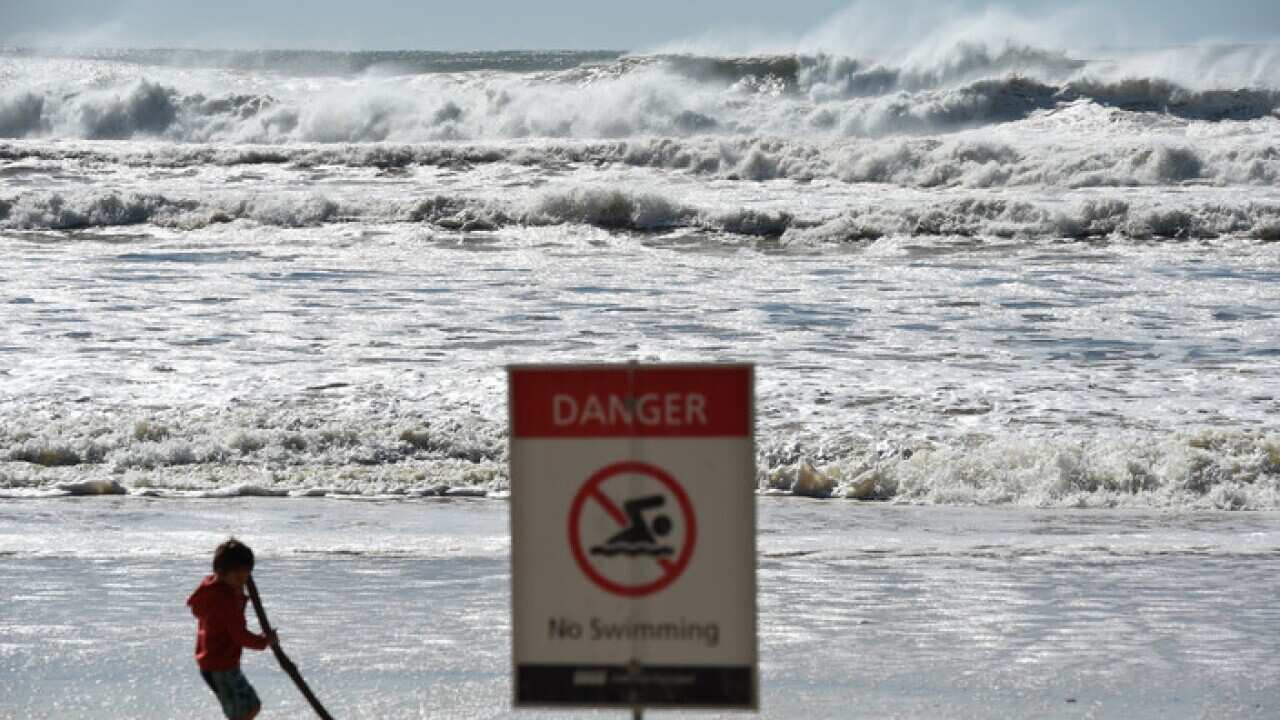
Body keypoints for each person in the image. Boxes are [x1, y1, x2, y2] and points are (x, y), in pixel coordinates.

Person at [188, 538, 277, 720]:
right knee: (242, 713)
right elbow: (239, 635)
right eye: (238, 577)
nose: (242, 581)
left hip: (218, 663)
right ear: (222, 572)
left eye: (245, 576)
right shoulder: (224, 600)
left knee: (252, 706)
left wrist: (239, 591)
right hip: (220, 666)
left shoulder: (211, 587)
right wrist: (264, 641)